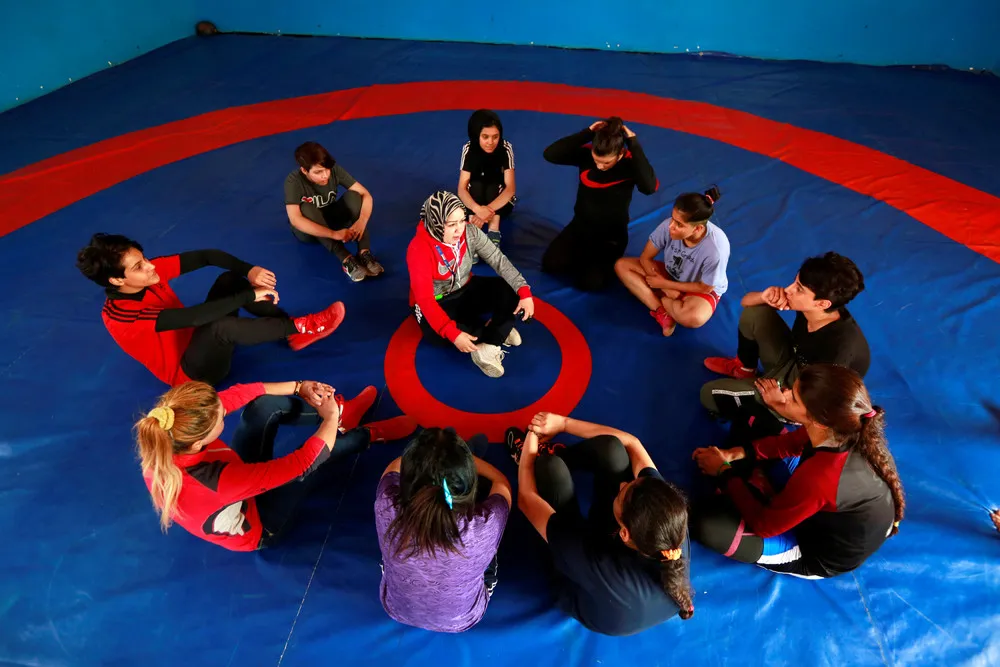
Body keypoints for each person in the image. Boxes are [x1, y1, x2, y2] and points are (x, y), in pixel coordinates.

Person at [134, 380, 418, 550]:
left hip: (234, 485)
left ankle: (343, 417)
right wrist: (329, 418)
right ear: (198, 443)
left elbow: (240, 394)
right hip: (260, 524)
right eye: (220, 419)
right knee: (317, 460)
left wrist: (299, 386)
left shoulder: (168, 436)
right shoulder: (216, 481)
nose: (225, 413)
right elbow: (305, 462)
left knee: (262, 407)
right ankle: (366, 435)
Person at [690, 364, 904, 579]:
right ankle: (761, 487)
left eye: (793, 398)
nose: (784, 394)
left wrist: (724, 472)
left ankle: (759, 489)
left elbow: (764, 525)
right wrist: (734, 454)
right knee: (755, 415)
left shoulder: (821, 477)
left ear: (819, 421)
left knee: (707, 524)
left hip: (812, 552)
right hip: (820, 503)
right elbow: (792, 442)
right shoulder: (843, 428)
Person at [507, 412, 693, 636]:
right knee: (613, 450)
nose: (623, 483)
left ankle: (537, 459)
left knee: (550, 469)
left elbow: (526, 499)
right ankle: (561, 456)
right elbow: (633, 444)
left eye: (622, 493)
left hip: (584, 586)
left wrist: (529, 447)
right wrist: (563, 424)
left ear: (625, 533)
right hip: (618, 558)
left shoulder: (600, 566)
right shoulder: (669, 521)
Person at [77, 233, 345, 387]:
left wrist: (249, 270)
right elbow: (193, 317)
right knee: (219, 327)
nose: (150, 266)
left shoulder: (147, 275)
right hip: (194, 375)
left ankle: (292, 331)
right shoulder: (122, 316)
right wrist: (249, 295)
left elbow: (207, 256)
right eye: (139, 266)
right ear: (117, 280)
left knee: (230, 280)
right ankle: (304, 327)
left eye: (144, 258)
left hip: (197, 340)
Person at [700, 251, 870, 438]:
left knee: (708, 394)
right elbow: (747, 303)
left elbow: (816, 416)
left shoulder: (837, 351)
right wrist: (764, 296)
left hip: (803, 393)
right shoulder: (812, 308)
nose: (788, 290)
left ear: (822, 303)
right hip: (794, 360)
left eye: (799, 289)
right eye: (795, 282)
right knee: (756, 313)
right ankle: (744, 370)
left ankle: (781, 416)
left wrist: (778, 404)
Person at [375, 428, 511, 633]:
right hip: (461, 619)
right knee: (489, 543)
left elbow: (394, 466)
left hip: (396, 608)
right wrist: (467, 460)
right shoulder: (484, 524)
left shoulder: (386, 503)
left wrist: (431, 462)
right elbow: (502, 483)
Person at [406, 190, 534, 378]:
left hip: (465, 288)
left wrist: (524, 290)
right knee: (439, 335)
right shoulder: (419, 249)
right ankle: (497, 333)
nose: (459, 229)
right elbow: (425, 300)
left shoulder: (469, 231)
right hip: (438, 300)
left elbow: (498, 260)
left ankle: (488, 343)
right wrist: (452, 333)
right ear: (435, 223)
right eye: (451, 224)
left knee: (511, 292)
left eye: (461, 221)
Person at [541, 116, 658, 292]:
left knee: (590, 284)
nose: (600, 166)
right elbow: (550, 154)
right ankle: (586, 257)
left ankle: (594, 262)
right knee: (551, 265)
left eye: (606, 162)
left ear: (620, 154)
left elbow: (649, 187)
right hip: (580, 227)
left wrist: (633, 143)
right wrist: (587, 133)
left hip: (611, 236)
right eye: (596, 160)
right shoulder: (586, 156)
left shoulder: (630, 164)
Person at [615, 186, 730, 336]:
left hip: (698, 288)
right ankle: (662, 312)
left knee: (693, 318)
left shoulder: (716, 250)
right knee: (622, 266)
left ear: (697, 229)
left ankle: (661, 299)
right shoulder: (667, 226)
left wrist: (664, 285)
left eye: (679, 224)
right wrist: (666, 287)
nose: (671, 226)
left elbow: (705, 288)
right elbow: (646, 257)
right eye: (673, 219)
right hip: (671, 275)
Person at [284, 141, 383, 282]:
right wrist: (333, 234)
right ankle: (346, 259)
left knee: (354, 196)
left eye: (327, 169)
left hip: (331, 219)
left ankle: (364, 253)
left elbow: (366, 194)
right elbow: (295, 220)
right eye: (318, 172)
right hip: (309, 231)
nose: (325, 175)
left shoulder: (334, 170)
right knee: (306, 207)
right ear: (304, 171)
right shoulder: (293, 181)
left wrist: (362, 221)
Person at [457, 109, 516, 247]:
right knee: (475, 185)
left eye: (495, 137)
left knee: (493, 185)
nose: (490, 142)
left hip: (500, 203)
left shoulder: (505, 148)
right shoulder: (469, 149)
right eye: (485, 137)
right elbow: (461, 189)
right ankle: (473, 232)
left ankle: (493, 231)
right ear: (476, 135)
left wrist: (485, 211)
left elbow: (510, 189)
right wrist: (477, 210)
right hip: (474, 204)